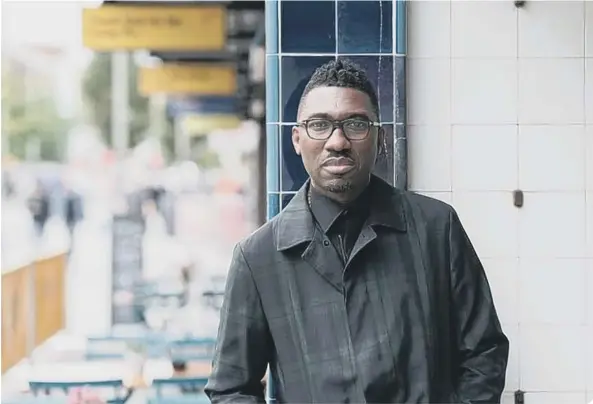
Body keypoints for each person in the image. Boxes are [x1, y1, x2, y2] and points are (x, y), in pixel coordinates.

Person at [205, 59, 509, 404]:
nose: (338, 141)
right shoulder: (258, 258)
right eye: (319, 125)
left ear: (379, 137)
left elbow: (485, 351)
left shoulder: (436, 228)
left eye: (355, 124)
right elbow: (230, 388)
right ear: (297, 139)